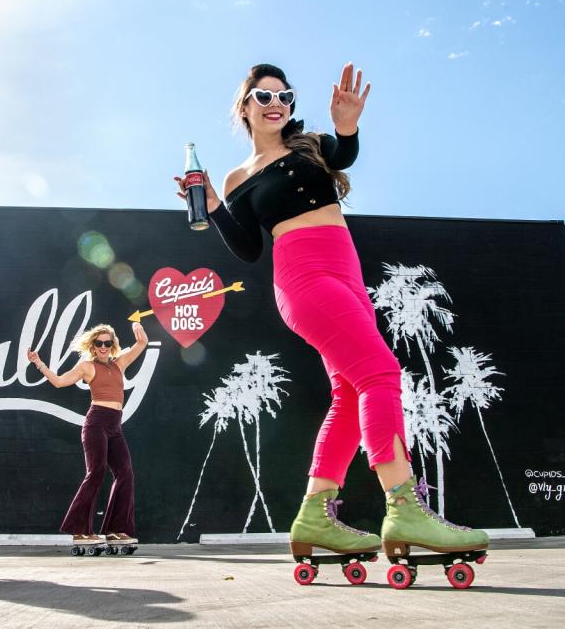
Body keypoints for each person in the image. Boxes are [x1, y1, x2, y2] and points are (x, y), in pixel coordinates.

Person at [174, 63, 487, 566]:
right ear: (245, 107)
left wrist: (346, 125)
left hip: (346, 271)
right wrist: (212, 205)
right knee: (381, 373)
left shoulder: (312, 146)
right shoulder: (239, 176)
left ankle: (315, 516)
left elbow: (346, 153)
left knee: (349, 390)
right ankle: (404, 506)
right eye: (263, 95)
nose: (276, 103)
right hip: (302, 276)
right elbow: (249, 248)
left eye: (285, 96)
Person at [27, 322, 148, 549]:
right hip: (96, 424)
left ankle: (115, 530)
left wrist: (137, 326)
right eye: (99, 343)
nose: (103, 347)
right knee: (96, 471)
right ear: (93, 346)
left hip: (115, 425)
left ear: (113, 345)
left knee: (125, 472)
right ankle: (80, 531)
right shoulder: (87, 366)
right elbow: (60, 382)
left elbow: (142, 343)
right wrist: (39, 363)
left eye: (107, 343)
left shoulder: (119, 364)